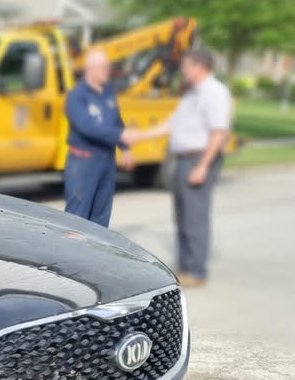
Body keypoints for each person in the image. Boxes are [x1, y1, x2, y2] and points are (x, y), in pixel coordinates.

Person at [135, 47, 232, 287]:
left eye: (187, 66)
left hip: (198, 159)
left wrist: (203, 166)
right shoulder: (192, 94)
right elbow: (172, 124)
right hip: (183, 160)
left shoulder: (215, 93)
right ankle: (184, 267)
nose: (183, 71)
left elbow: (219, 132)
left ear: (200, 66)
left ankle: (196, 271)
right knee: (182, 216)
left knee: (195, 217)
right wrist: (139, 136)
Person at [62, 50, 140, 227]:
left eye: (107, 67)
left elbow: (116, 121)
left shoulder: (108, 92)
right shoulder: (76, 96)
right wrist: (119, 135)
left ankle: (95, 246)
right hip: (83, 163)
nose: (107, 71)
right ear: (90, 69)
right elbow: (87, 127)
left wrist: (125, 149)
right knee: (77, 219)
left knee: (101, 220)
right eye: (103, 67)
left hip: (106, 162)